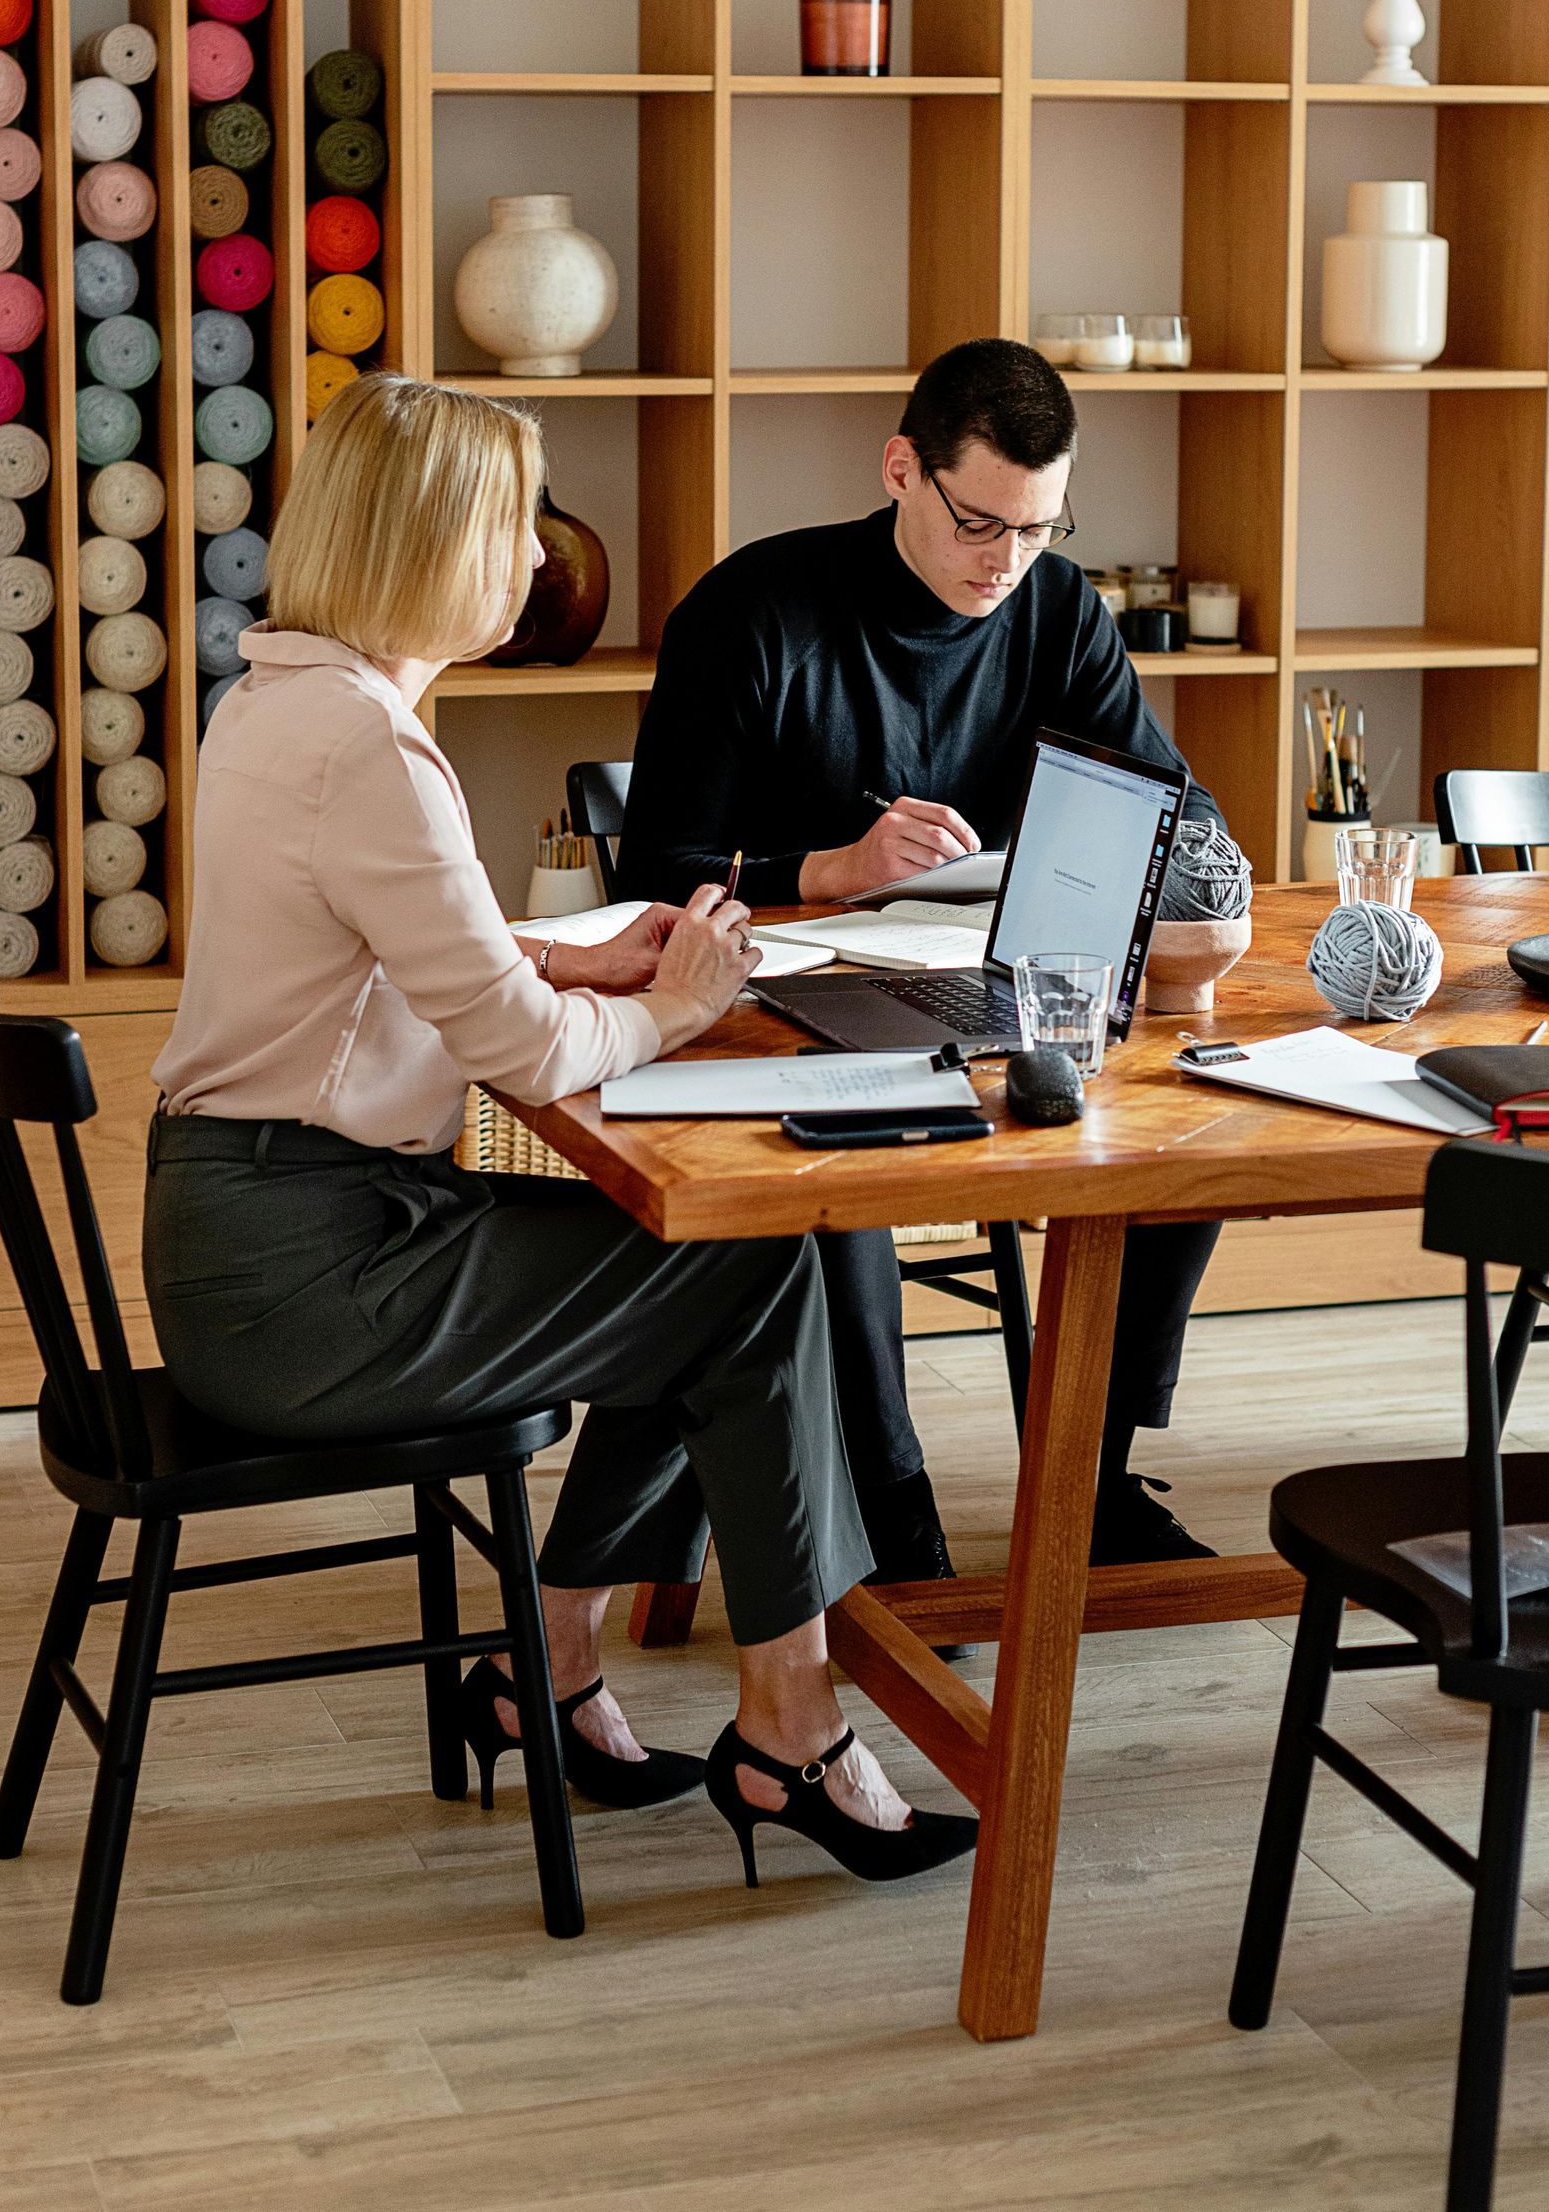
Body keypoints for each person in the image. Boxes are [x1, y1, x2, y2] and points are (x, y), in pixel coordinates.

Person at [144, 374, 974, 1886]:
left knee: (700, 1257)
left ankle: (562, 1671)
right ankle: (789, 1724)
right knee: (743, 1275)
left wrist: (573, 956)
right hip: (307, 1274)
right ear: (435, 542)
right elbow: (523, 1060)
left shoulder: (285, 701)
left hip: (263, 1233)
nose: (537, 559)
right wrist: (677, 1000)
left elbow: (385, 957)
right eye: (514, 523)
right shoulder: (371, 750)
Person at [617, 337, 1226, 1572]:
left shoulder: (1057, 607)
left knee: (1180, 1125)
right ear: (903, 468)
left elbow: (1173, 806)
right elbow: (649, 878)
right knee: (850, 1156)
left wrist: (1205, 872)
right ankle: (893, 1511)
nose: (1005, 563)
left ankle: (1091, 1477)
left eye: (1039, 529)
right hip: (771, 1001)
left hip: (996, 985)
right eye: (979, 523)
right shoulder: (754, 612)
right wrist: (831, 871)